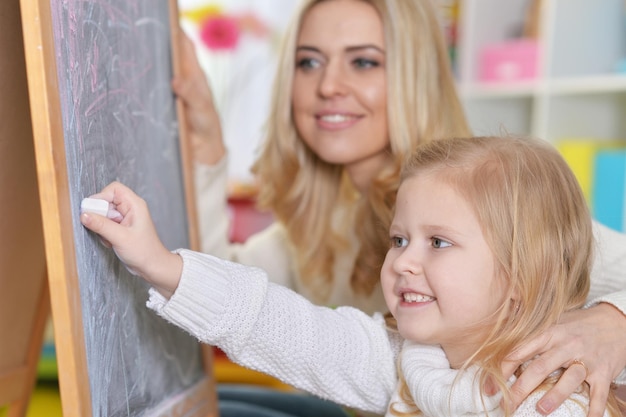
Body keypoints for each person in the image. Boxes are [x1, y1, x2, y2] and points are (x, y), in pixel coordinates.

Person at [173, 0, 626, 414]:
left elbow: (578, 260)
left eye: (363, 62)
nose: (328, 85)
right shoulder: (325, 222)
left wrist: (614, 321)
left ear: (414, 76)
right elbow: (218, 285)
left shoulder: (487, 203)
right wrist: (209, 147)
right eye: (309, 62)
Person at [80, 135, 624, 416]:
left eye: (438, 243)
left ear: (521, 277)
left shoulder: (552, 399)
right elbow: (281, 325)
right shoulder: (404, 361)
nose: (404, 261)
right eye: (398, 239)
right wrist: (159, 264)